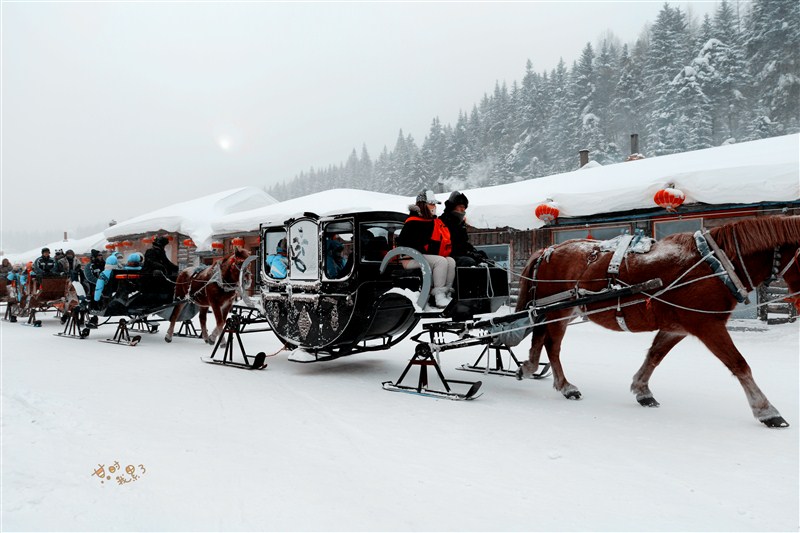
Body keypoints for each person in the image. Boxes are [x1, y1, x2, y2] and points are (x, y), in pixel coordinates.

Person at [396, 190, 456, 308]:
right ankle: (438, 296)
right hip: (410, 258)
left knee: (450, 261)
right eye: (431, 204)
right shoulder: (413, 222)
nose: (434, 207)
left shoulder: (430, 221)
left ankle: (446, 293)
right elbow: (413, 244)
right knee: (441, 261)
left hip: (422, 256)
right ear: (423, 205)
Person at [439, 191, 488, 267]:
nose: (463, 209)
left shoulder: (460, 223)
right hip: (448, 255)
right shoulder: (443, 222)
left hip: (461, 253)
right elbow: (451, 244)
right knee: (469, 262)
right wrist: (469, 253)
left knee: (483, 256)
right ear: (453, 206)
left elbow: (464, 243)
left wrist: (473, 251)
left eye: (464, 207)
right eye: (460, 207)